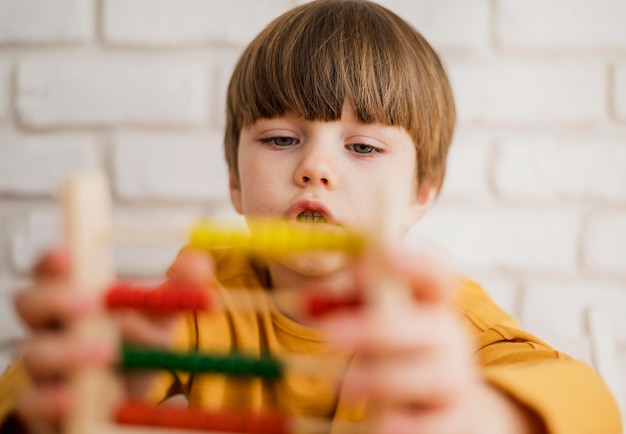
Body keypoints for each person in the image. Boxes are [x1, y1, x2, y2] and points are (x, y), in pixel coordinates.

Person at [0, 0, 622, 433]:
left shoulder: (443, 326)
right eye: (278, 139)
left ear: (421, 193)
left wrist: (482, 418)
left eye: (363, 147)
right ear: (235, 184)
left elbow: (593, 405)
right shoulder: (201, 299)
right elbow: (31, 400)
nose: (315, 168)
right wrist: (78, 391)